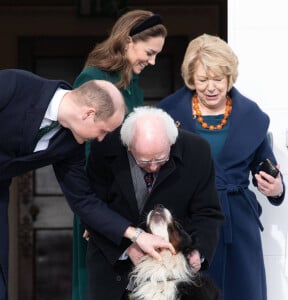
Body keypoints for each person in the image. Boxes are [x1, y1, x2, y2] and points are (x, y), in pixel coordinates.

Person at [0, 69, 174, 300]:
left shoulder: (71, 144)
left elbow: (83, 200)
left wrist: (137, 235)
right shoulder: (12, 84)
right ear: (88, 114)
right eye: (102, 131)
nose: (101, 138)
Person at [157, 33, 285, 300]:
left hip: (238, 223)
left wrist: (276, 188)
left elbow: (267, 167)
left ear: (230, 77)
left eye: (218, 79)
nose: (211, 87)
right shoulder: (167, 113)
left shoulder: (252, 116)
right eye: (203, 80)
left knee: (243, 292)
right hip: (189, 224)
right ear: (191, 79)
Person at [72, 9, 168, 300]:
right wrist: (94, 217)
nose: (152, 61)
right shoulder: (92, 78)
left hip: (128, 202)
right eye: (149, 52)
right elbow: (84, 152)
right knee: (99, 286)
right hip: (100, 203)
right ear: (128, 42)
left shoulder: (133, 85)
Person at [84, 106, 224, 300]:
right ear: (128, 146)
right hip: (113, 268)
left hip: (174, 279)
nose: (153, 167)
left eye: (161, 159)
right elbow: (91, 208)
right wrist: (127, 247)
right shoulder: (105, 146)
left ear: (171, 142)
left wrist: (198, 250)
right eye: (143, 161)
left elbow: (207, 211)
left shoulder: (197, 150)